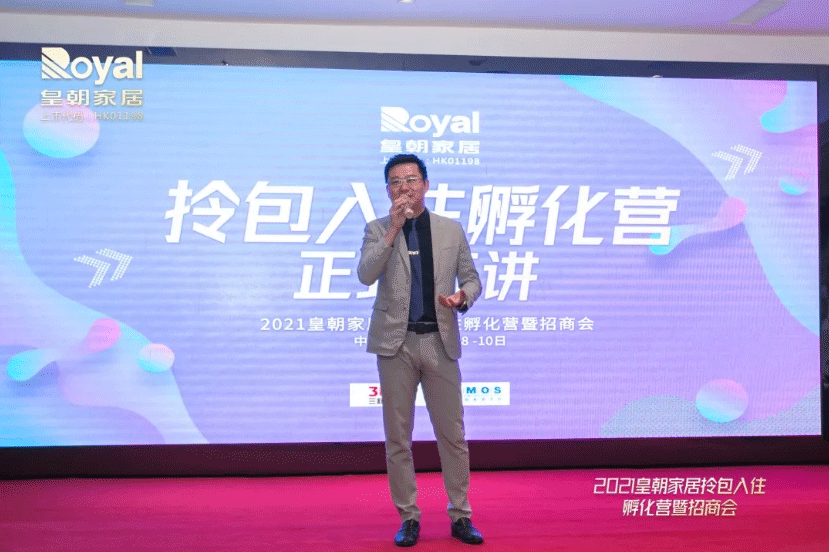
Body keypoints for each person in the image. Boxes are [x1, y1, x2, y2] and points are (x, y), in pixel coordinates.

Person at [358, 154, 484, 547]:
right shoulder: (377, 229)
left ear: (425, 185)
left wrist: (463, 297)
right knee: (398, 438)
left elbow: (472, 279)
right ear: (388, 191)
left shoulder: (450, 229)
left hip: (439, 342)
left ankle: (460, 515)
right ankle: (409, 517)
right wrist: (393, 229)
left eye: (411, 179)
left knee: (452, 434)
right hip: (395, 345)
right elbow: (365, 274)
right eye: (396, 182)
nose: (404, 187)